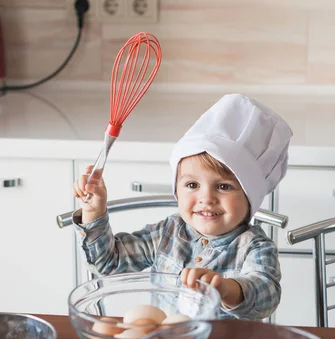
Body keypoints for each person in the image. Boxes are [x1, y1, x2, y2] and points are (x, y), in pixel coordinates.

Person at [72, 93, 293, 319]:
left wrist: (226, 289)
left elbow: (267, 294)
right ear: (176, 190)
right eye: (192, 184)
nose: (206, 198)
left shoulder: (254, 246)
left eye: (224, 187)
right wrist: (93, 211)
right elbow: (109, 262)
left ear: (250, 197)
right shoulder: (167, 234)